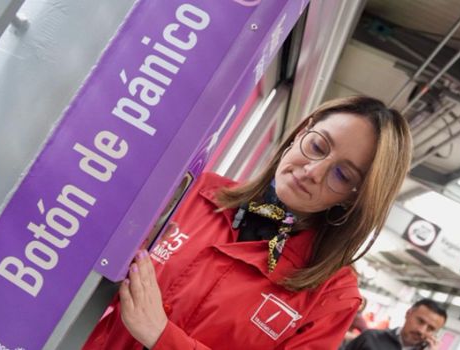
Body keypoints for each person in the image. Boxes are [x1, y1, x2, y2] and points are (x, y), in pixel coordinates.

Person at [84, 96, 413, 349]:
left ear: (353, 197)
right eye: (317, 146)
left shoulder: (333, 295)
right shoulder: (194, 192)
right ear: (302, 131)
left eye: (341, 175)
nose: (313, 172)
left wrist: (162, 337)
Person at [343, 299, 447, 350]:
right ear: (408, 313)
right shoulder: (371, 337)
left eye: (430, 328)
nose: (422, 330)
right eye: (420, 321)